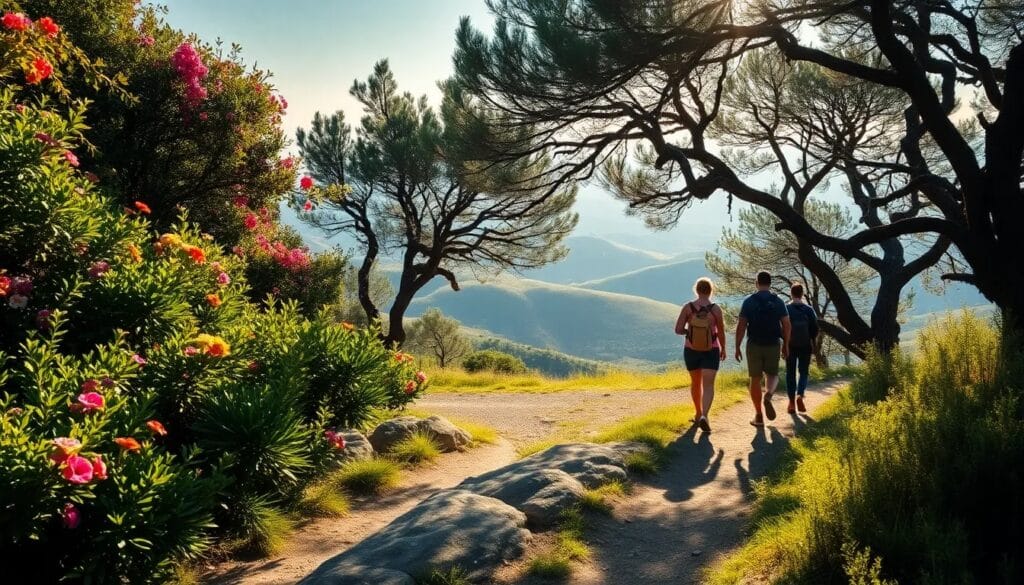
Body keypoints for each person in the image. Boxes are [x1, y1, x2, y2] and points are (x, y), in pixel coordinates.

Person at [734, 271, 791, 427]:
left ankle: (758, 415)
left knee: (755, 379)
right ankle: (769, 395)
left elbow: (741, 326)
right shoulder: (778, 301)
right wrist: (786, 345)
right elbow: (786, 325)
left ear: (756, 283)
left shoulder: (749, 302)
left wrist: (737, 346)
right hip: (773, 343)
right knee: (772, 375)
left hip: (754, 344)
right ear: (770, 283)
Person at [674, 277, 727, 433]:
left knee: (695, 383)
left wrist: (689, 331)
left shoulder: (688, 307)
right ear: (711, 291)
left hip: (691, 349)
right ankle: (705, 415)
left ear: (696, 290)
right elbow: (721, 332)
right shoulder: (716, 309)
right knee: (709, 385)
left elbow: (677, 329)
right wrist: (723, 348)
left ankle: (697, 413)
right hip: (711, 350)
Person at [785, 282, 819, 414]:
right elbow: (815, 329)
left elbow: (782, 327)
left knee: (790, 373)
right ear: (802, 294)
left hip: (791, 345)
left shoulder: (786, 308)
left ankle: (791, 403)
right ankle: (800, 395)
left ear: (791, 293)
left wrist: (785, 343)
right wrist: (811, 340)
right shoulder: (809, 309)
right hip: (805, 345)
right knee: (804, 372)